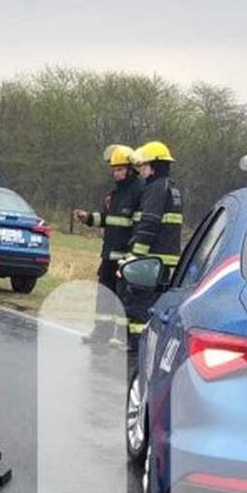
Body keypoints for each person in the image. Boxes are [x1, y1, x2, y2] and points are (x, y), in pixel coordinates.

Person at [73, 144, 143, 346]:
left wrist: (133, 253)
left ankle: (121, 337)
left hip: (125, 255)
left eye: (120, 169)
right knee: (105, 295)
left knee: (122, 297)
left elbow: (138, 225)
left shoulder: (138, 191)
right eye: (114, 170)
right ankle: (101, 333)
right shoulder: (115, 192)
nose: (116, 173)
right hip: (109, 252)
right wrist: (88, 218)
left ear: (130, 169)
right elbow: (107, 219)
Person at [120, 141, 184, 352]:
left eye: (144, 166)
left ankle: (138, 346)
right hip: (166, 259)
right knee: (156, 303)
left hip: (151, 258)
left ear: (154, 165)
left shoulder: (155, 188)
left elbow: (149, 222)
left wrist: (134, 257)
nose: (143, 171)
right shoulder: (171, 187)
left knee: (139, 303)